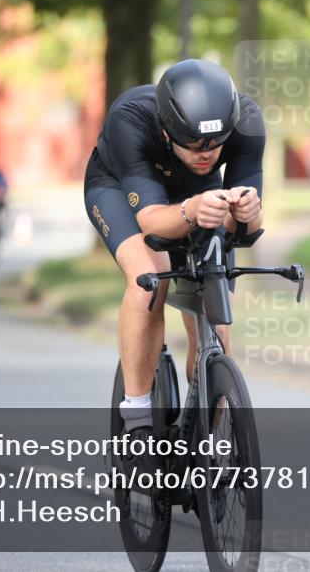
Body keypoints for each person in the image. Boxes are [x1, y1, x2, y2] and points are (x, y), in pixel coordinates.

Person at [84, 58, 264, 438]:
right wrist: (193, 210)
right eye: (194, 143)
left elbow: (242, 230)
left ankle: (214, 433)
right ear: (167, 133)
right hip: (120, 188)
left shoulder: (246, 121)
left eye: (216, 144)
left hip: (198, 195)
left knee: (216, 314)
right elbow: (150, 220)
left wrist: (247, 211)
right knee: (150, 277)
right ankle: (136, 418)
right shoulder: (130, 119)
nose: (207, 153)